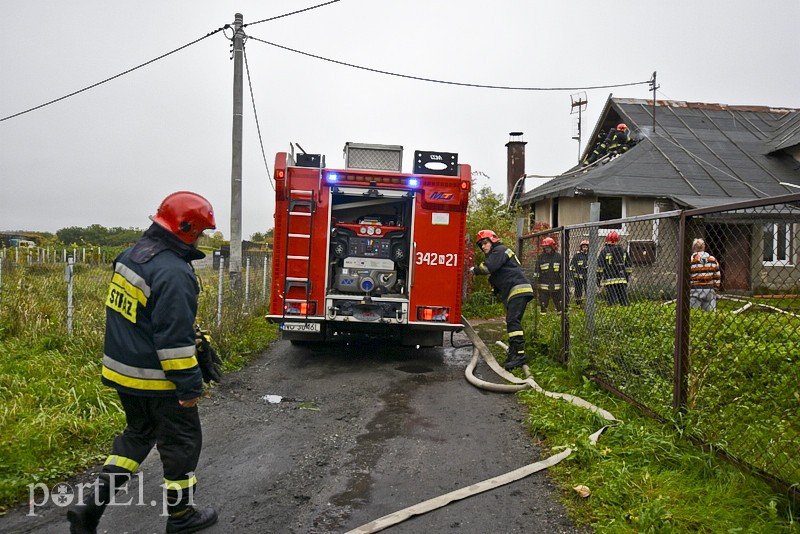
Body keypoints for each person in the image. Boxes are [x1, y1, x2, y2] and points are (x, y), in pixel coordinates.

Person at [68, 192, 220, 534]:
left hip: (123, 373)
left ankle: (88, 507)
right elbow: (173, 342)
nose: (201, 238)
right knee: (181, 443)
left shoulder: (130, 256)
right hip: (158, 380)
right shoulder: (175, 273)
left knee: (137, 437)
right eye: (200, 231)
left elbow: (139, 318)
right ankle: (181, 517)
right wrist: (189, 388)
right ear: (186, 228)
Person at [470, 229, 534, 370]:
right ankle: (514, 352)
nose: (484, 247)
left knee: (513, 321)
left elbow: (488, 268)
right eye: (481, 245)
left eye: (485, 243)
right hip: (516, 289)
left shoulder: (499, 250)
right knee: (512, 321)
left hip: (518, 288)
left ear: (493, 240)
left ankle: (519, 355)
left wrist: (473, 270)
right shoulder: (497, 254)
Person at [596, 231, 632, 306]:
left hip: (609, 280)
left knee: (611, 301)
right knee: (624, 299)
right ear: (618, 240)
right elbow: (629, 266)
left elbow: (599, 267)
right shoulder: (623, 251)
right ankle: (626, 310)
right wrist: (626, 276)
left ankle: (612, 309)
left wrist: (598, 278)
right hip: (622, 279)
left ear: (607, 239)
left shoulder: (604, 251)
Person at [689, 238, 721, 311]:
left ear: (693, 248)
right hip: (709, 289)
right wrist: (716, 288)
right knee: (710, 314)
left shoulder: (690, 260)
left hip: (694, 289)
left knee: (693, 313)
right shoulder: (712, 259)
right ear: (704, 247)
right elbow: (717, 275)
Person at [535, 237, 563, 313]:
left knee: (559, 305)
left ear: (552, 247)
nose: (546, 249)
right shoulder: (540, 257)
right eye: (545, 247)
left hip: (556, 285)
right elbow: (537, 272)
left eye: (548, 247)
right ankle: (543, 320)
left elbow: (563, 270)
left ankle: (559, 318)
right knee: (543, 305)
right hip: (543, 286)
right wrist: (536, 283)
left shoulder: (559, 257)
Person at [569, 240, 590, 305]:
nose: (585, 248)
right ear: (581, 247)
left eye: (586, 247)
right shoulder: (576, 256)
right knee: (578, 291)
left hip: (587, 277)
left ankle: (589, 303)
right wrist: (572, 275)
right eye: (583, 247)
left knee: (588, 290)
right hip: (578, 277)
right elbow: (571, 266)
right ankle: (578, 304)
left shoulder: (591, 255)